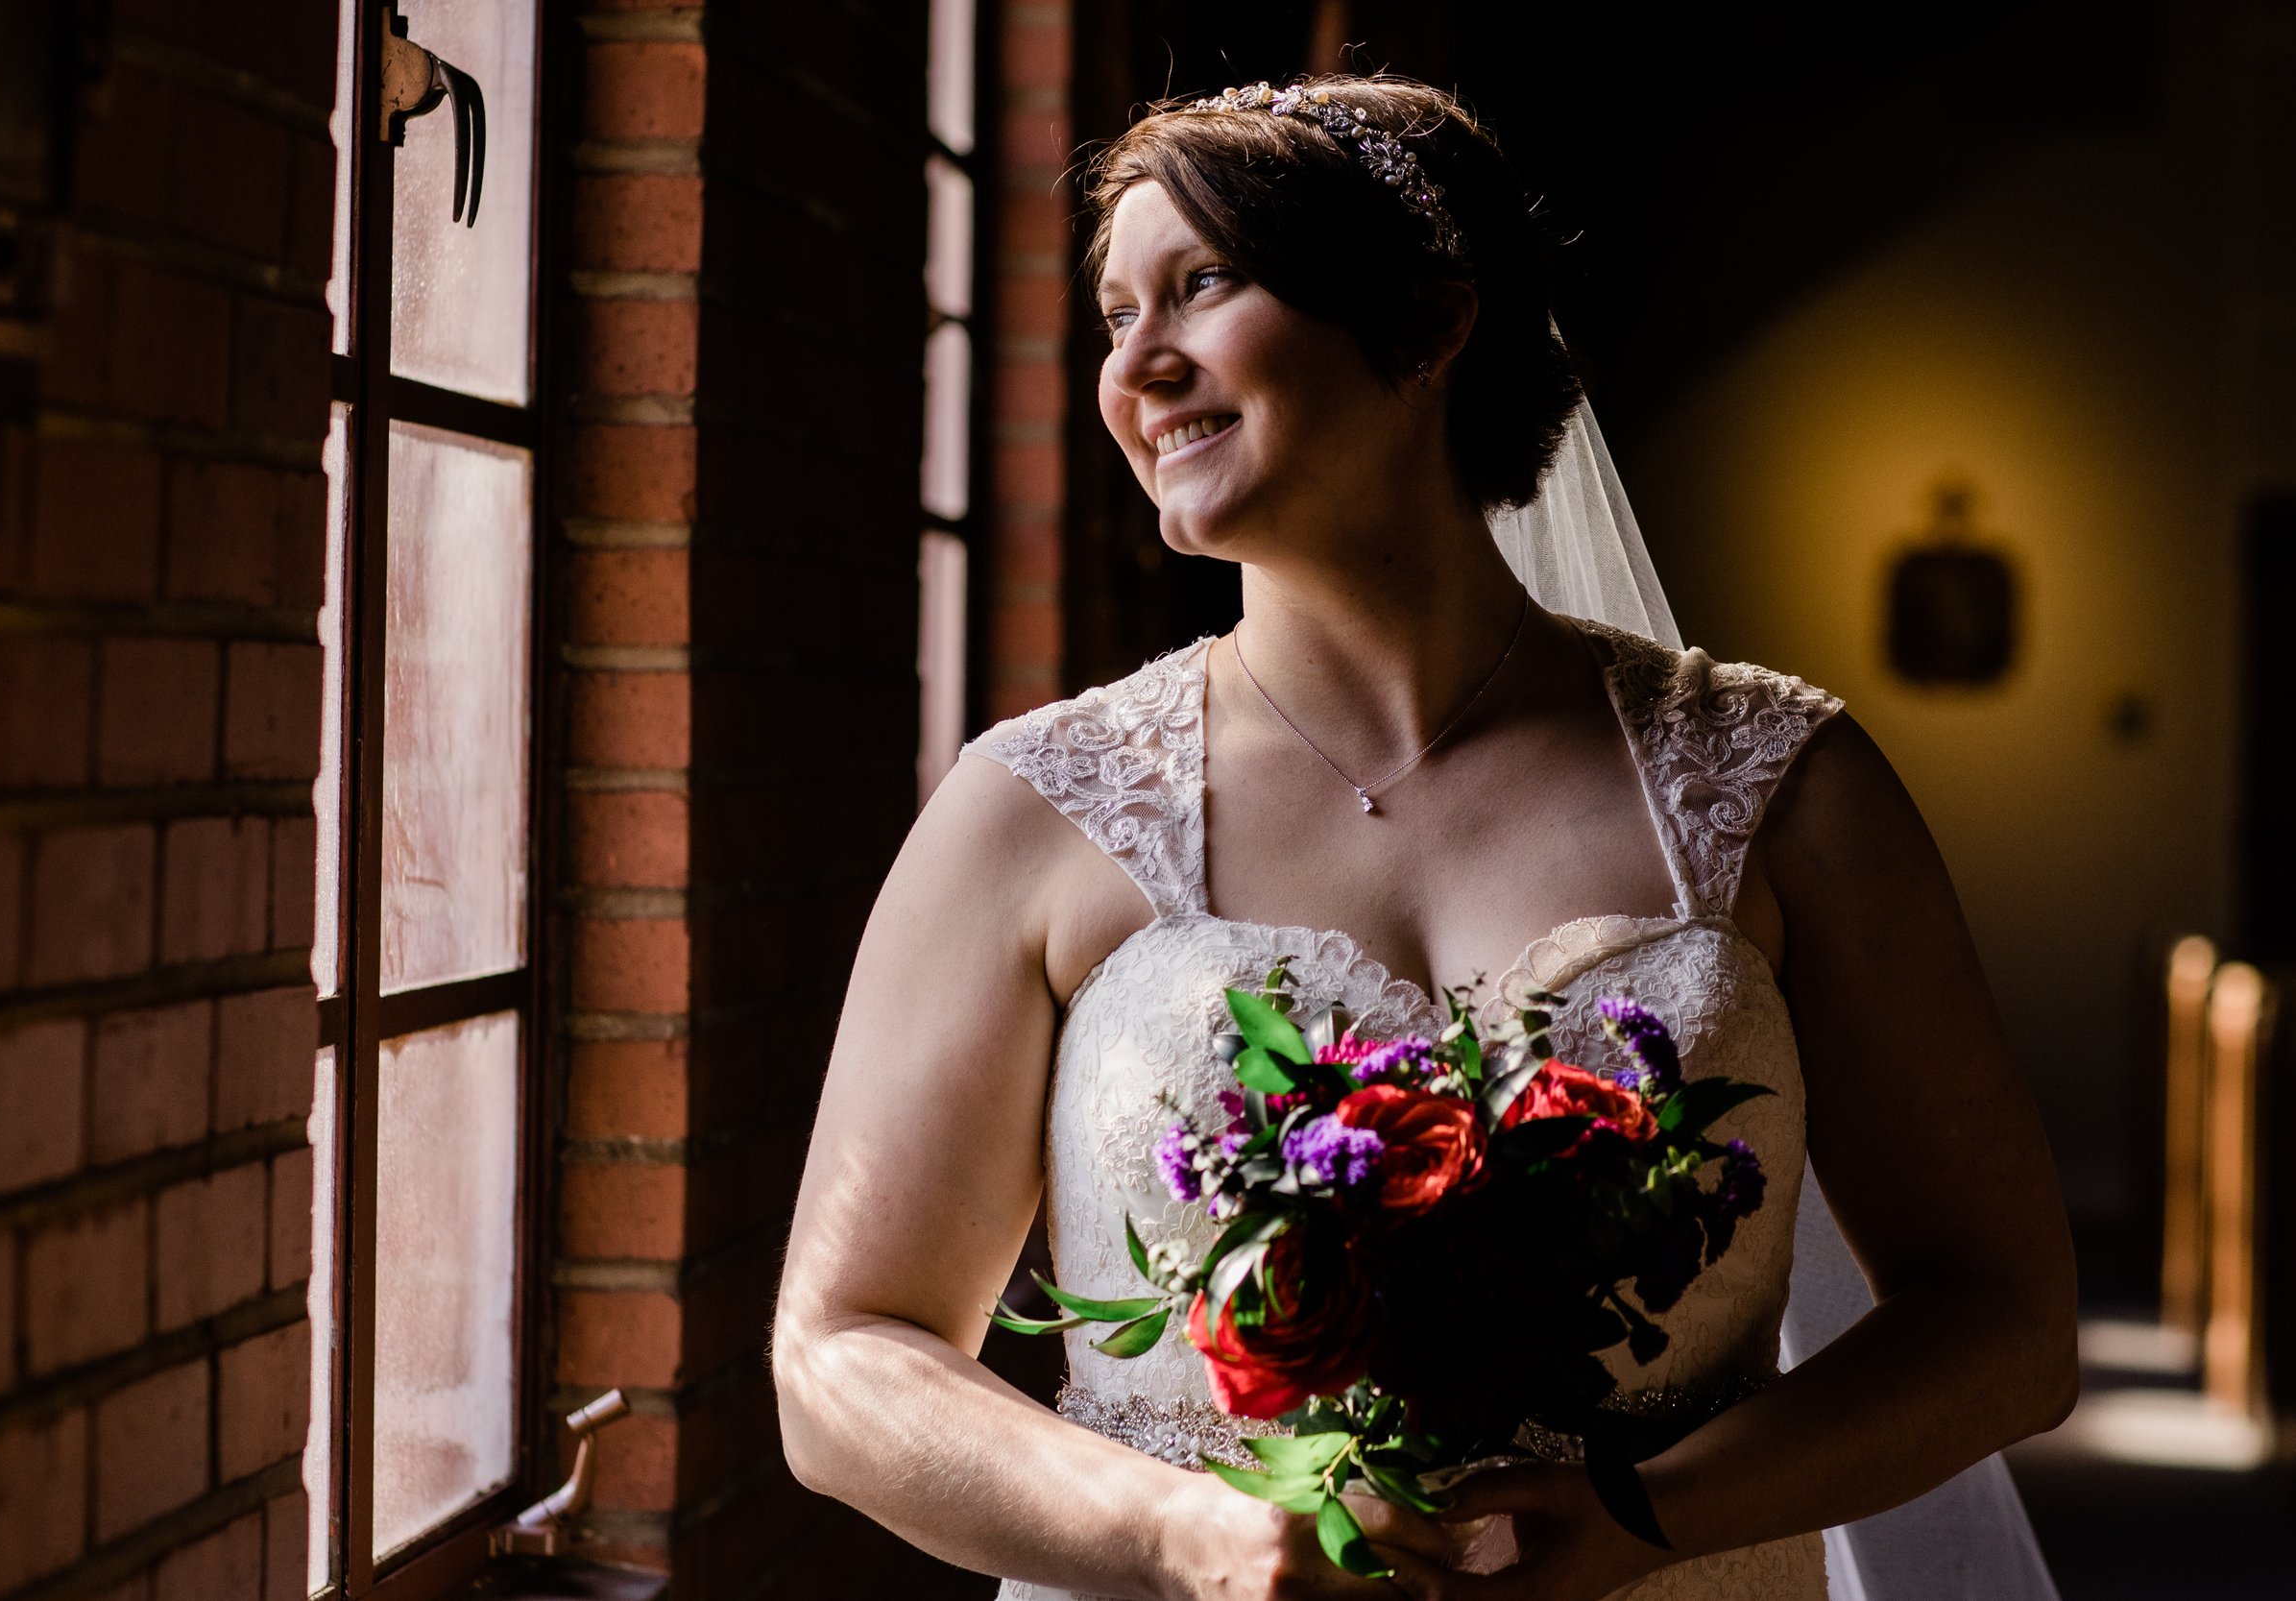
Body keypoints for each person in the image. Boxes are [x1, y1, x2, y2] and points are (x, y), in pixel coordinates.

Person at [771, 75, 2078, 1601]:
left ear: (1433, 317)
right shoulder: (1033, 807)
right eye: (1115, 315)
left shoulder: (1785, 784)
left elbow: (2002, 1323)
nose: (1141, 366)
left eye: (1202, 284)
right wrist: (1172, 1529)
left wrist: (1647, 1514)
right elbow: (842, 1353)